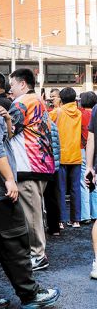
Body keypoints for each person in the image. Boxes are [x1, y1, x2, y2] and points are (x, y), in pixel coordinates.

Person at [0, 61, 59, 309]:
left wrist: (5, 121)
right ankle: (30, 294)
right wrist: (9, 179)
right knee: (14, 242)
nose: (0, 83)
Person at [7, 68, 55, 271]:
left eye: (12, 85)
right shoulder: (38, 100)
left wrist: (4, 117)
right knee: (35, 212)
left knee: (31, 215)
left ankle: (38, 255)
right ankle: (36, 252)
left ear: (22, 84)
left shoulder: (21, 103)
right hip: (42, 163)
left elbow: (9, 132)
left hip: (28, 164)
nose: (10, 90)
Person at [50, 87, 83, 229]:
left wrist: (56, 105)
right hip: (76, 155)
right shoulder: (79, 113)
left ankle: (61, 220)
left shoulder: (57, 112)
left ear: (61, 99)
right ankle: (76, 220)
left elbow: (46, 121)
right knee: (76, 188)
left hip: (61, 155)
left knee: (60, 189)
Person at [80, 91, 97, 222]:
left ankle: (85, 215)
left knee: (85, 183)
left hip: (83, 150)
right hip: (93, 151)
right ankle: (95, 213)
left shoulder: (80, 114)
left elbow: (90, 137)